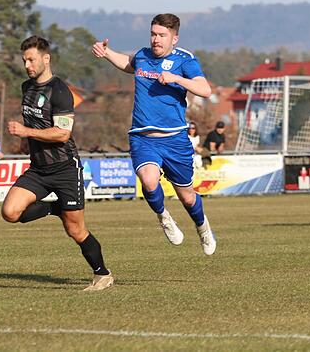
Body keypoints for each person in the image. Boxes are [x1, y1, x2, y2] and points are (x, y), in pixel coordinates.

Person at [91, 13, 216, 255]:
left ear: (174, 38)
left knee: (187, 197)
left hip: (175, 139)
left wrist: (177, 79)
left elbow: (205, 89)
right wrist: (106, 53)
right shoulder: (143, 56)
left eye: (162, 35)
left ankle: (202, 227)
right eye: (153, 34)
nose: (156, 40)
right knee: (148, 182)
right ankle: (164, 217)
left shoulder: (185, 60)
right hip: (142, 136)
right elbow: (129, 64)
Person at [1, 35, 113, 291]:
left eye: (32, 59)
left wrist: (25, 133)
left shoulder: (61, 92)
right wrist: (24, 141)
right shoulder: (26, 88)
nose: (27, 65)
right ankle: (55, 209)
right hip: (38, 169)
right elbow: (33, 124)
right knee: (10, 212)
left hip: (65, 168)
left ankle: (102, 274)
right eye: (24, 60)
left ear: (46, 58)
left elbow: (62, 133)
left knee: (76, 230)